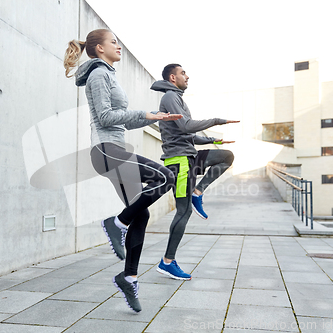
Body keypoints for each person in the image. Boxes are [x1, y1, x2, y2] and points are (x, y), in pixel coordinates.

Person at [64, 29, 181, 312]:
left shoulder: (108, 74)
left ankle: (128, 277)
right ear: (99, 48)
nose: (118, 46)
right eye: (113, 42)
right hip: (106, 150)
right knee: (166, 176)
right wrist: (146, 113)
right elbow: (105, 117)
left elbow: (123, 122)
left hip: (116, 148)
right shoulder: (98, 75)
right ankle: (116, 223)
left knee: (142, 213)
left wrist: (152, 117)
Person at [150, 64, 239, 280]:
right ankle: (167, 262)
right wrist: (217, 121)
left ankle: (198, 193)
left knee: (226, 156)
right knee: (183, 211)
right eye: (183, 73)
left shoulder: (177, 98)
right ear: (173, 77)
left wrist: (213, 140)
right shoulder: (170, 96)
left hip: (188, 157)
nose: (187, 76)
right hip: (179, 162)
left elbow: (189, 136)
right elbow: (187, 127)